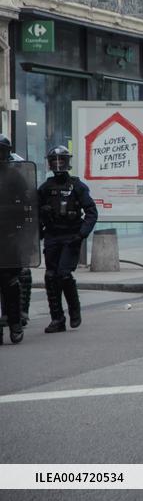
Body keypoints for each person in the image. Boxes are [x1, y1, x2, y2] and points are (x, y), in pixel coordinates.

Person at [37, 146, 98, 333]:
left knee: (64, 274)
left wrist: (81, 234)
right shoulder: (45, 188)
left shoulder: (77, 186)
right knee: (50, 276)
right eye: (54, 161)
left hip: (71, 236)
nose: (58, 164)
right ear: (49, 163)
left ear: (67, 162)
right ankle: (57, 319)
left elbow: (91, 212)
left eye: (61, 160)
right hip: (52, 235)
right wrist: (40, 224)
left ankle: (74, 309)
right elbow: (33, 212)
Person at [0, 134, 36, 344]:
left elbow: (27, 204)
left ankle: (15, 323)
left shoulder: (15, 176)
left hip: (10, 236)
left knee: (10, 282)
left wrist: (24, 232)